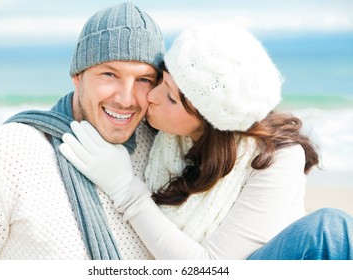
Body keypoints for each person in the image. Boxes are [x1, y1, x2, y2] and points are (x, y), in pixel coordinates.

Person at [60, 24, 353, 259]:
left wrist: (126, 192)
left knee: (331, 229)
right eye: (161, 79)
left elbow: (211, 269)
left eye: (171, 98)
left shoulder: (277, 157)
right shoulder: (166, 136)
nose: (151, 96)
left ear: (211, 123)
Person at [0, 2, 165, 260]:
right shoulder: (0, 155)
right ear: (77, 76)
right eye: (109, 74)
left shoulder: (162, 151)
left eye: (144, 80)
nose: (126, 99)